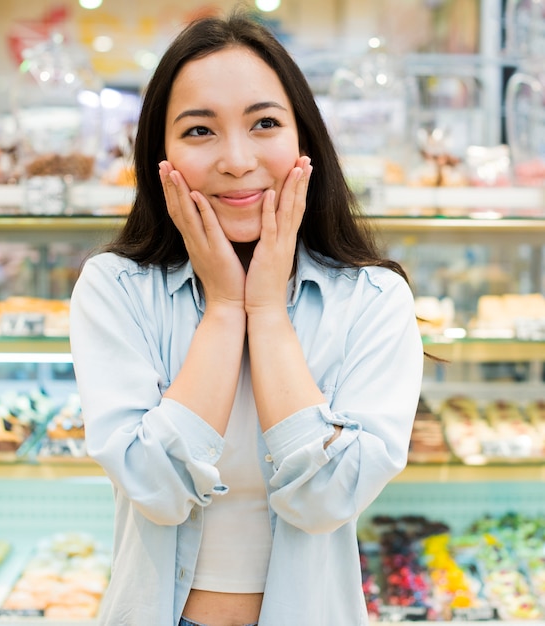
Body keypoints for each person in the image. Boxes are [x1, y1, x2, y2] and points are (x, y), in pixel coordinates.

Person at [70, 10, 423, 626]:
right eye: (200, 131)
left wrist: (265, 311)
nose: (236, 160)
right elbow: (154, 487)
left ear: (303, 141)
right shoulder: (116, 288)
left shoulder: (372, 298)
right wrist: (225, 310)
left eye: (264, 123)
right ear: (161, 154)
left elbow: (326, 499)